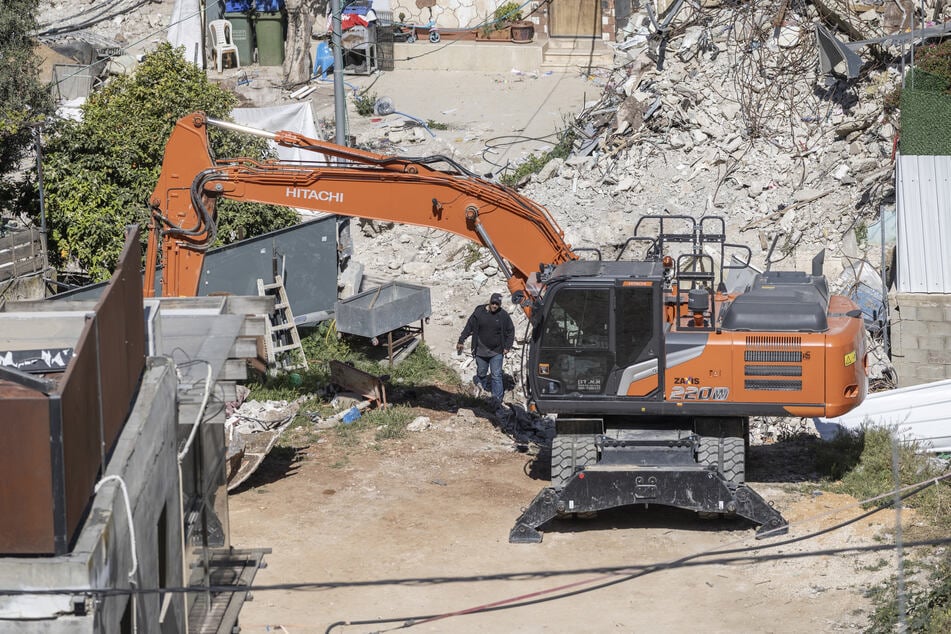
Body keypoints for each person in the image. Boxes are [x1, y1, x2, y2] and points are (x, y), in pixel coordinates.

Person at [457, 292, 514, 403]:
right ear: (489, 301)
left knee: (496, 375)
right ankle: (481, 394)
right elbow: (469, 326)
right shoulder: (479, 312)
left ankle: (497, 400)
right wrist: (461, 340)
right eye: (493, 303)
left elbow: (511, 331)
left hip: (496, 351)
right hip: (480, 351)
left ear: (500, 304)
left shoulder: (503, 315)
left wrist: (507, 346)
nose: (494, 306)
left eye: (497, 304)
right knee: (481, 373)